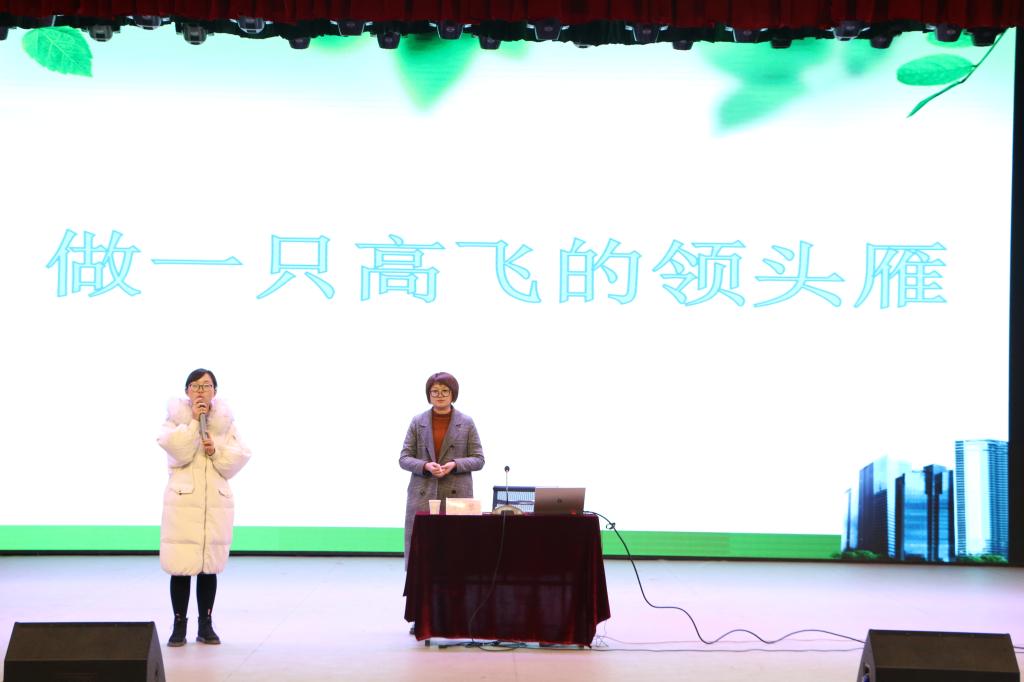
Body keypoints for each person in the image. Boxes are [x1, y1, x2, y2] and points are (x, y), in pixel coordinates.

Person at [157, 368, 251, 648]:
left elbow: (239, 457)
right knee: (181, 566)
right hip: (183, 502)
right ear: (187, 391)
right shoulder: (175, 420)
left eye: (207, 386)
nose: (201, 391)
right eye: (196, 386)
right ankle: (178, 625)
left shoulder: (225, 423)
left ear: (215, 392)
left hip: (215, 504)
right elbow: (177, 450)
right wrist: (193, 426)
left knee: (209, 567)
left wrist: (214, 451)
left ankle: (206, 625)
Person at [399, 372, 485, 565]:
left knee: (456, 549)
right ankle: (420, 584)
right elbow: (404, 458)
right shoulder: (417, 421)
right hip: (423, 494)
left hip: (457, 494)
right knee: (422, 551)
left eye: (445, 391)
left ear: (453, 393)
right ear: (428, 394)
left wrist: (455, 464)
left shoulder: (466, 422)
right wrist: (425, 465)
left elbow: (479, 459)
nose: (440, 395)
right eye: (435, 391)